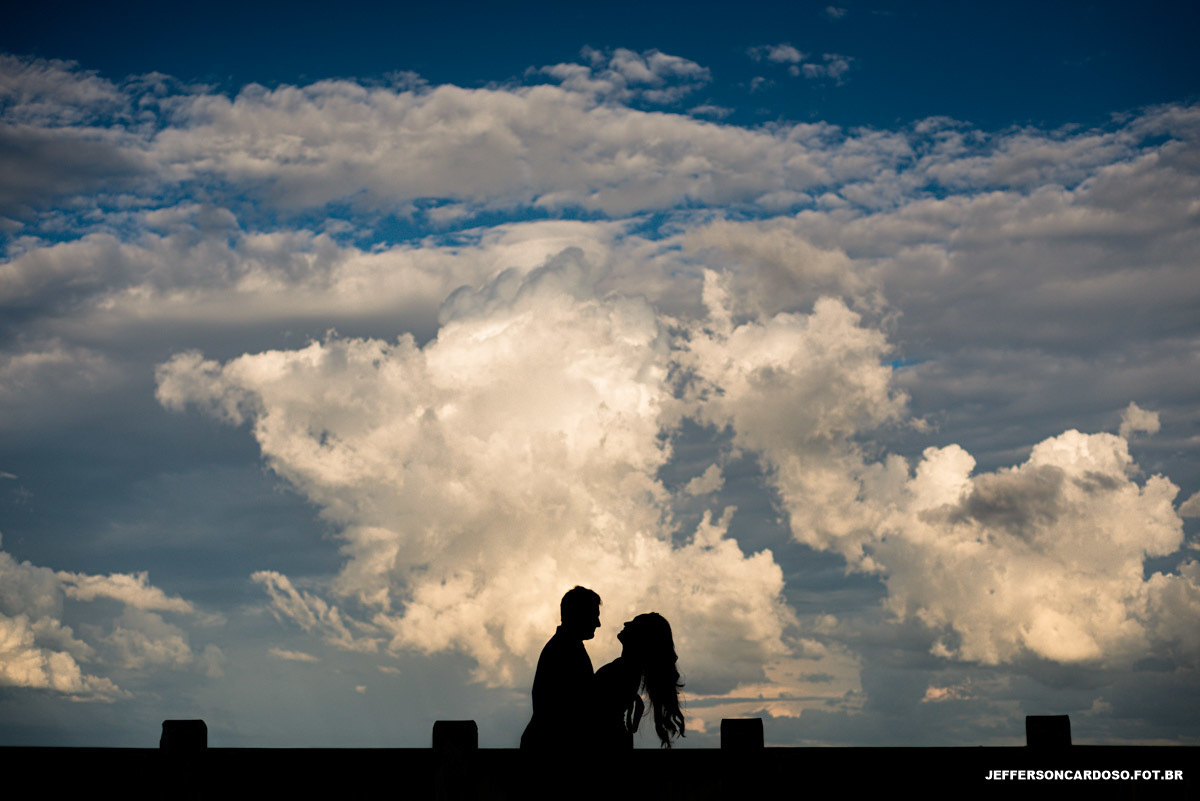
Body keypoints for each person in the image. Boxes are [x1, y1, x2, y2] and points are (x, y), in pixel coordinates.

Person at [520, 586, 602, 750]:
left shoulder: (565, 647)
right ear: (579, 615)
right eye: (594, 616)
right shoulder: (565, 650)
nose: (598, 624)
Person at [592, 612, 685, 749]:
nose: (626, 623)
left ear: (642, 638)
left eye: (633, 623)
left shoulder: (624, 670)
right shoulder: (628, 669)